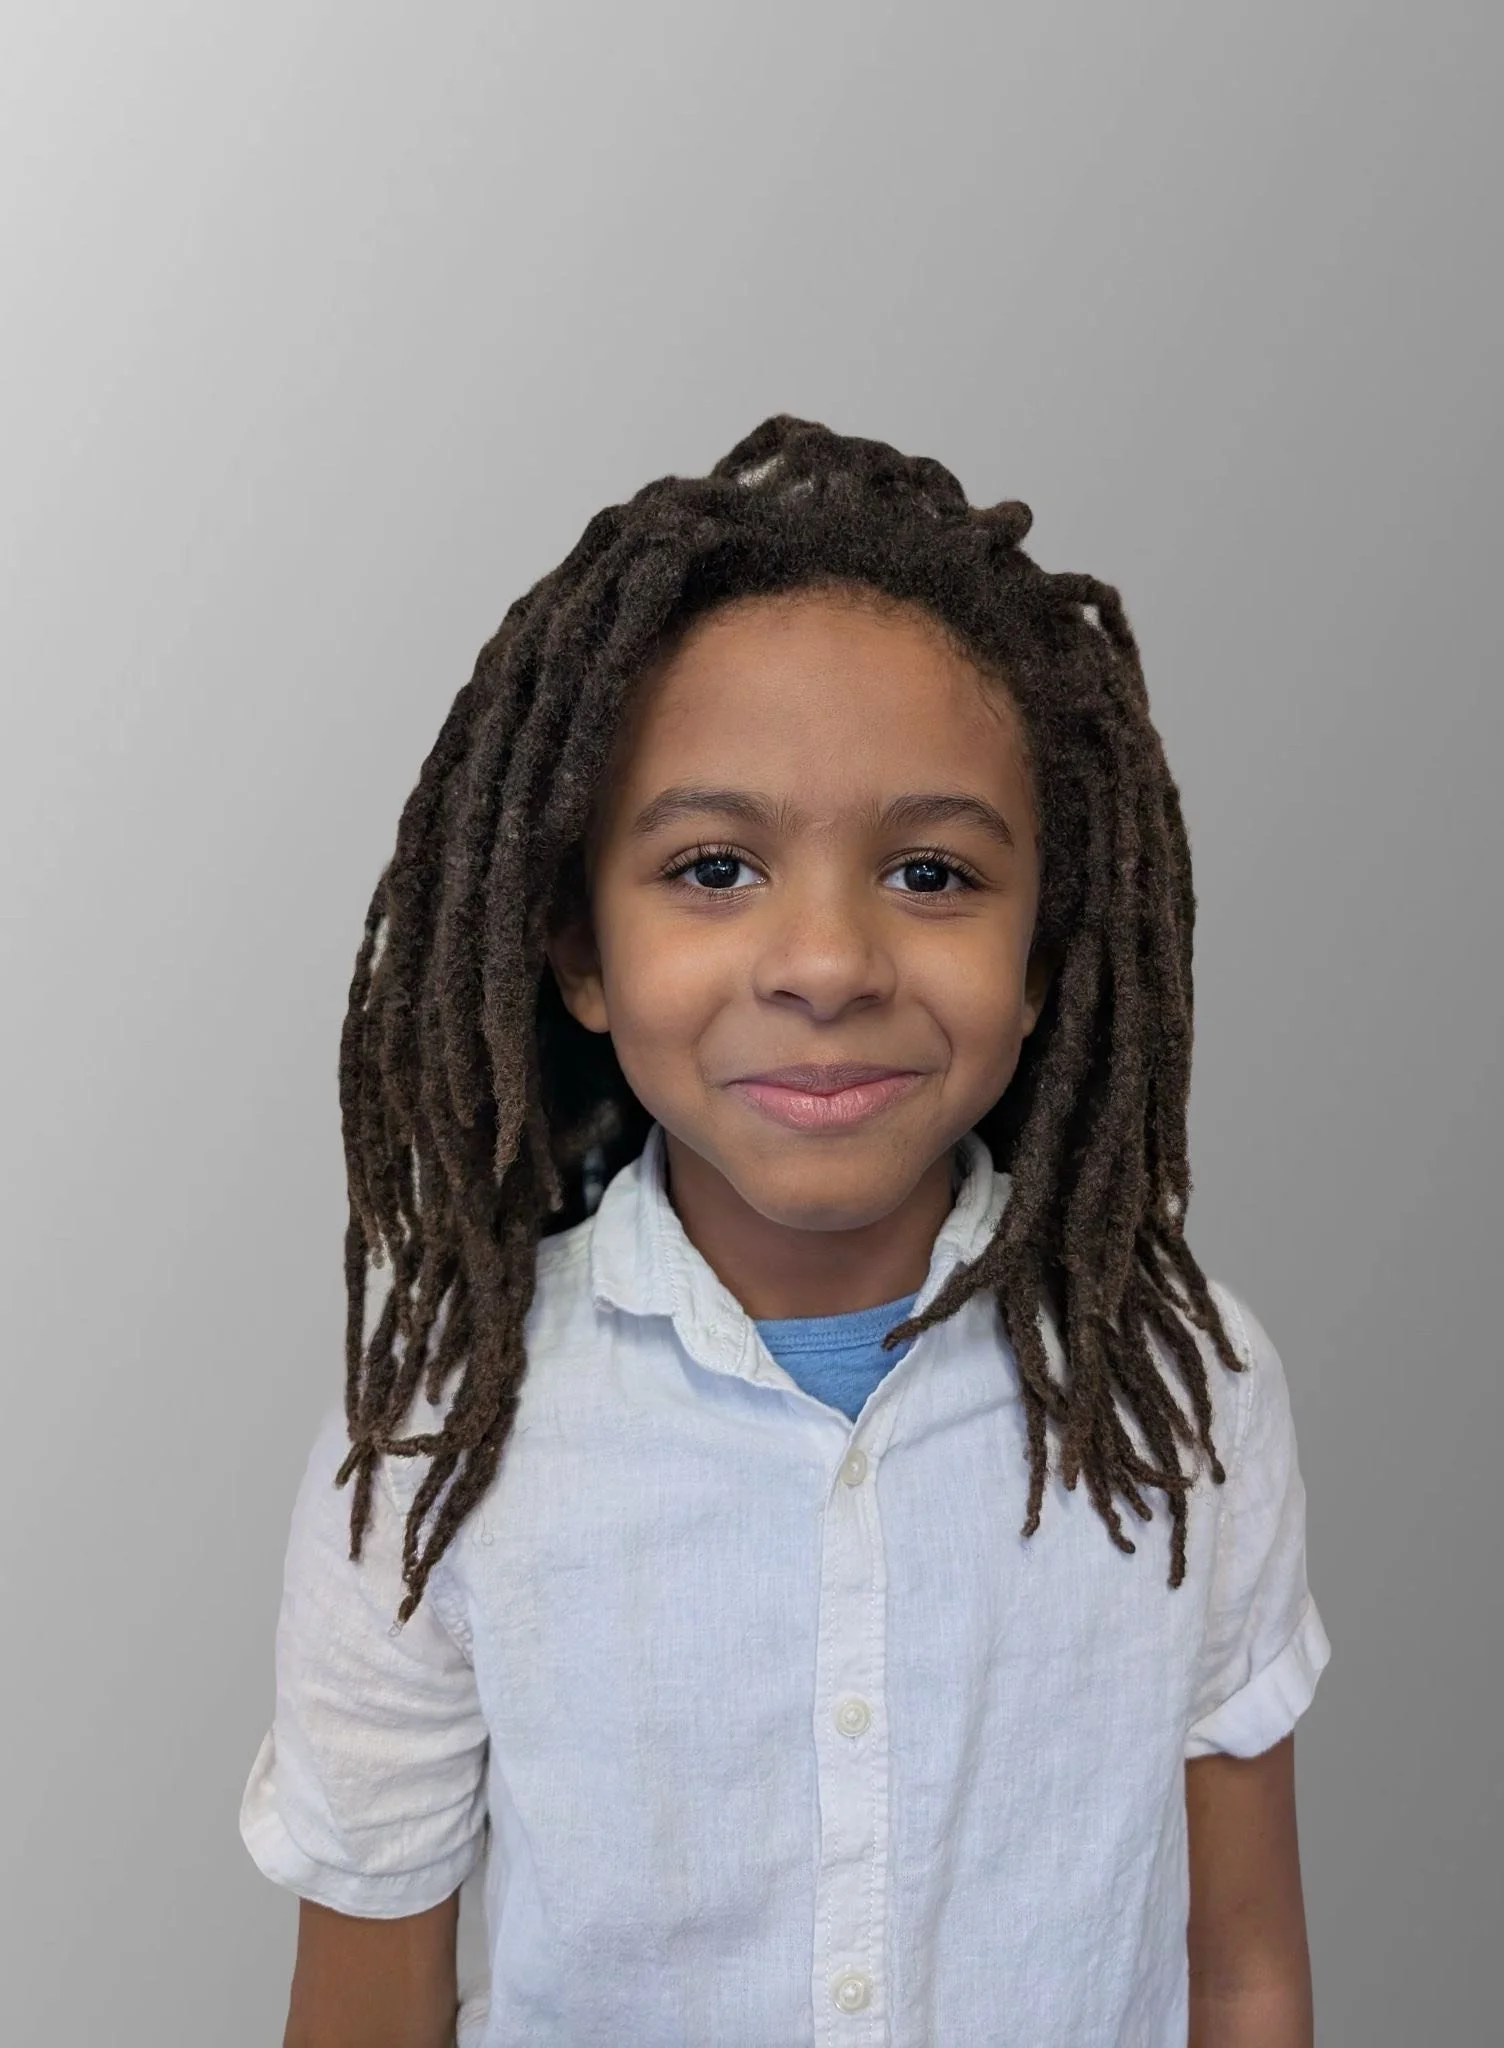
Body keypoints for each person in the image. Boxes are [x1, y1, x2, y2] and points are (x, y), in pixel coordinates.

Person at [240, 415, 1331, 2047]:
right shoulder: (433, 1445)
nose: (825, 961)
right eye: (714, 865)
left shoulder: (1183, 1391)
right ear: (575, 951)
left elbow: (1237, 1975)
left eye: (928, 872)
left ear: (1043, 960)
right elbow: (363, 2015)